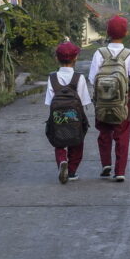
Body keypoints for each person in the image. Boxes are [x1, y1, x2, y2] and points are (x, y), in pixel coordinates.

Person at [88, 16, 130, 182]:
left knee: (104, 132)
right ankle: (119, 171)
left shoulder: (99, 53)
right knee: (122, 135)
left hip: (102, 103)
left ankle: (106, 163)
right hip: (123, 102)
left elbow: (92, 78)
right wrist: (127, 94)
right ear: (126, 33)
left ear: (107, 32)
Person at [44, 41, 90, 184]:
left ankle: (62, 160)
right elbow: (83, 101)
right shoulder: (79, 78)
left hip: (57, 118)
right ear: (75, 58)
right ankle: (71, 171)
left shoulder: (52, 78)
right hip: (75, 118)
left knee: (59, 143)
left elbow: (49, 102)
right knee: (77, 143)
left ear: (57, 58)